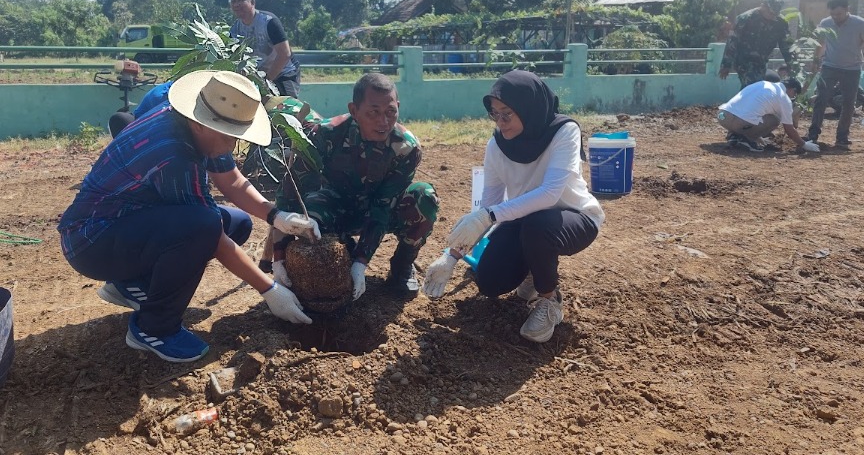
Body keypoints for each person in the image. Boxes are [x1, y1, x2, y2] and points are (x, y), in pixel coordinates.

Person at [58, 71, 321, 363]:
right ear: (202, 125)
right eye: (228, 137)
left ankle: (131, 284)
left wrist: (276, 215)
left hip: (127, 223)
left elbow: (231, 180)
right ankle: (153, 328)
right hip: (92, 241)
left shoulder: (197, 122)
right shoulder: (175, 156)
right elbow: (211, 234)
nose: (232, 147)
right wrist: (269, 289)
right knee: (205, 225)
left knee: (239, 223)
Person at [421, 70, 604, 343]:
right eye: (495, 114)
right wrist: (452, 256)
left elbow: (551, 194)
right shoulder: (496, 147)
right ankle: (535, 268)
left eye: (507, 114)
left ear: (528, 108)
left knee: (538, 228)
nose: (500, 122)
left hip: (574, 218)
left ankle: (549, 300)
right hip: (525, 220)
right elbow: (491, 204)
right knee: (489, 281)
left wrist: (490, 215)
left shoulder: (564, 132)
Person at [277, 72, 439, 300]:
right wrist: (278, 256)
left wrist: (362, 262)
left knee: (424, 196)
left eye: (391, 112)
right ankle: (335, 266)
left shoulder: (406, 147)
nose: (383, 121)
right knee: (310, 212)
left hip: (378, 214)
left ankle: (402, 265)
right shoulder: (325, 134)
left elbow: (383, 205)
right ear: (354, 110)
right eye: (373, 113)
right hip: (336, 211)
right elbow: (290, 193)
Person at [805, 0, 864, 150]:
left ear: (847, 9)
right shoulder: (826, 23)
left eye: (838, 13)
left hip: (852, 69)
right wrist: (815, 62)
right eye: (832, 14)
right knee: (821, 99)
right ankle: (812, 135)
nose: (835, 17)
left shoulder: (860, 24)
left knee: (849, 103)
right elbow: (821, 45)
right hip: (829, 66)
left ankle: (842, 138)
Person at [717, 72, 820, 153]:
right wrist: (804, 144)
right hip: (739, 122)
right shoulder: (784, 98)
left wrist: (759, 137)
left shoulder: (762, 84)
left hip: (723, 116)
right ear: (792, 90)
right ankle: (747, 140)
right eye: (794, 95)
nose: (792, 97)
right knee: (775, 120)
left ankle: (734, 136)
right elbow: (788, 128)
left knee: (756, 114)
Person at [229, 0, 301, 97]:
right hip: (259, 78)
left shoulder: (269, 22)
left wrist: (266, 81)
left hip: (283, 73)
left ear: (252, 2)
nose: (236, 4)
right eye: (233, 1)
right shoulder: (234, 30)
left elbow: (285, 54)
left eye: (240, 0)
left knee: (288, 110)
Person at [719, 0, 795, 88]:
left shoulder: (780, 23)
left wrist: (791, 63)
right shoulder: (745, 19)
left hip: (761, 61)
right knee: (752, 85)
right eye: (771, 13)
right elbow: (732, 41)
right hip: (743, 60)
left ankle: (743, 102)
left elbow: (785, 45)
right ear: (763, 6)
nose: (773, 17)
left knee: (754, 87)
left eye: (775, 14)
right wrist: (726, 65)